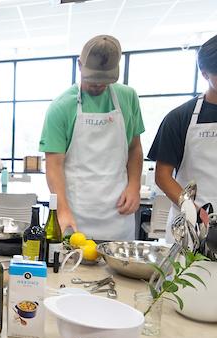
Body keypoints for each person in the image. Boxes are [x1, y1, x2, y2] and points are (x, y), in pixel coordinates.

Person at [39, 35, 145, 241]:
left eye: (105, 81)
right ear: (80, 66)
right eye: (92, 79)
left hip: (118, 215)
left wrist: (134, 186)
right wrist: (62, 209)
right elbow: (53, 165)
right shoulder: (61, 107)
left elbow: (134, 148)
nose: (98, 85)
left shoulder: (128, 98)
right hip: (76, 214)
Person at [148, 34, 217, 242]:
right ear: (205, 74)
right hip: (189, 225)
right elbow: (162, 175)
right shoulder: (180, 118)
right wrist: (191, 209)